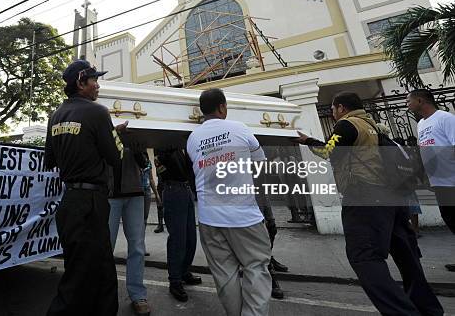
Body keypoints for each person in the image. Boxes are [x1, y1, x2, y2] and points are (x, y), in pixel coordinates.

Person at [296, 92, 443, 315]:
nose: (334, 114)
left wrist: (307, 141)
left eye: (334, 110)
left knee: (364, 257)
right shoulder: (372, 124)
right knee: (406, 256)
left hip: (365, 196)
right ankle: (429, 309)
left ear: (341, 108)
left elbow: (328, 151)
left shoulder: (347, 125)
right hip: (393, 197)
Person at [45, 59, 127, 316]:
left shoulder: (55, 115)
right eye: (94, 80)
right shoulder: (98, 112)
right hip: (91, 202)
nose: (98, 86)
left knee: (94, 268)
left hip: (69, 201)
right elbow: (116, 157)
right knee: (84, 274)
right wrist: (113, 133)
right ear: (81, 83)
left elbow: (51, 160)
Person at [187, 88, 272, 316]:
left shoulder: (193, 138)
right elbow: (260, 164)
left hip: (209, 218)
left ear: (201, 111)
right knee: (256, 268)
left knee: (225, 274)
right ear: (223, 107)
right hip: (245, 217)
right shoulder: (240, 129)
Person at [407, 88, 455, 271]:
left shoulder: (445, 118)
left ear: (420, 101)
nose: (407, 104)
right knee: (449, 217)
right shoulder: (421, 124)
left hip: (452, 180)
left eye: (408, 100)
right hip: (439, 182)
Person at [155, 147, 202, 302]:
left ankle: (184, 271)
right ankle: (175, 280)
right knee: (178, 239)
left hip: (186, 188)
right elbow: (163, 169)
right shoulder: (163, 145)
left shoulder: (185, 145)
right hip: (173, 188)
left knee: (190, 238)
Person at [107, 148, 151, 315]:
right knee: (106, 247)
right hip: (109, 193)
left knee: (137, 246)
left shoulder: (136, 129)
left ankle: (138, 295)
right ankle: (104, 292)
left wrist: (136, 145)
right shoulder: (103, 124)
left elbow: (145, 163)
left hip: (134, 192)